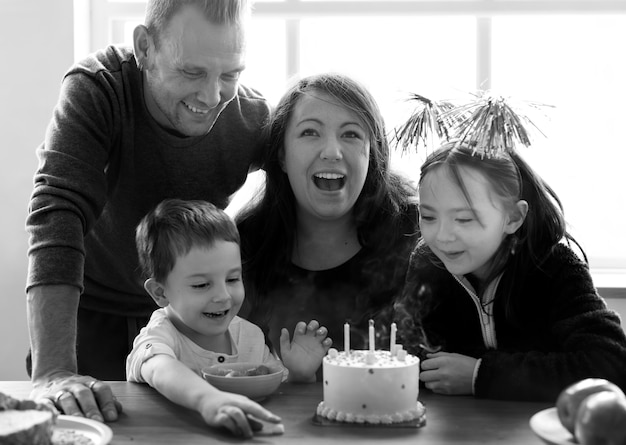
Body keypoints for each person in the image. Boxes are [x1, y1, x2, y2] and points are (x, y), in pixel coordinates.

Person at [25, 0, 270, 422]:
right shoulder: (98, 88)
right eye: (192, 72)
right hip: (91, 313)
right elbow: (57, 212)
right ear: (145, 48)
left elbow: (306, 184)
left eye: (230, 74)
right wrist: (54, 371)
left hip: (189, 316)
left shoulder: (250, 117)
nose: (212, 96)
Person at [398, 139, 626, 402]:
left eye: (463, 219)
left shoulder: (556, 266)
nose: (442, 236)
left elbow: (610, 364)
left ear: (514, 218)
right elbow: (408, 348)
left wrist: (482, 375)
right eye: (428, 217)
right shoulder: (428, 263)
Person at [236, 73, 419, 370]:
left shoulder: (414, 231)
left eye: (351, 134)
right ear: (282, 154)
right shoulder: (246, 245)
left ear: (372, 154)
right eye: (310, 133)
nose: (332, 152)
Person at [127, 199, 331, 437]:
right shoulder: (160, 335)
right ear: (161, 293)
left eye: (233, 279)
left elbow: (278, 404)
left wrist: (299, 376)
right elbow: (160, 369)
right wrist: (209, 401)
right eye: (202, 285)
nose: (223, 296)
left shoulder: (251, 337)